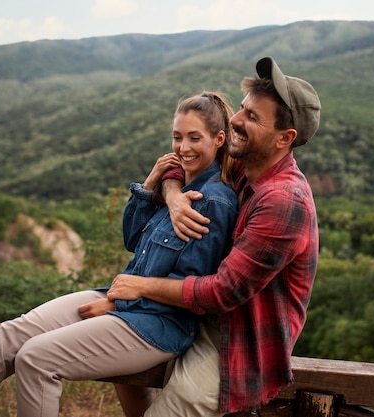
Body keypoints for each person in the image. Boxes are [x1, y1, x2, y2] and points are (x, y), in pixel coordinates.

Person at [0, 91, 238, 417]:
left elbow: (191, 289)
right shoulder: (178, 184)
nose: (183, 147)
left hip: (157, 324)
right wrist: (149, 186)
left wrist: (117, 306)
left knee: (36, 359)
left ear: (218, 140)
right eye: (177, 136)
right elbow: (133, 239)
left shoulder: (212, 202)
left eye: (195, 138)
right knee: (10, 335)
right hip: (120, 298)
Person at [108, 56, 321, 416]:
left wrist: (142, 287)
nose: (236, 120)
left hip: (237, 339)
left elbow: (222, 292)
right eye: (242, 109)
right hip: (199, 316)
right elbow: (180, 161)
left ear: (285, 138)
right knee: (121, 366)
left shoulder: (284, 202)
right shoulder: (246, 163)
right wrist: (175, 198)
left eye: (252, 117)